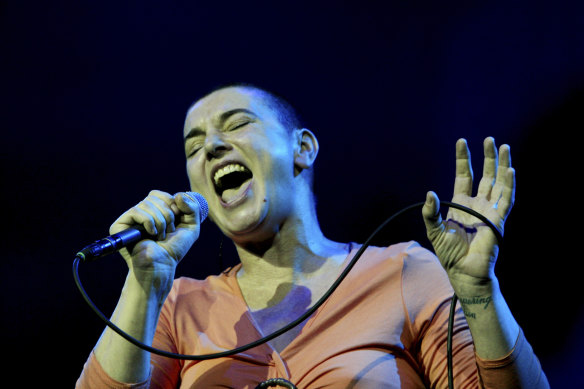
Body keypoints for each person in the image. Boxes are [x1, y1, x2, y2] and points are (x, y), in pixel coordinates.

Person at [76, 84, 549, 388]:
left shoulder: (405, 273)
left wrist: (479, 293)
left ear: (302, 149)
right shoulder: (178, 306)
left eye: (237, 124)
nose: (212, 147)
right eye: (194, 147)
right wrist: (146, 282)